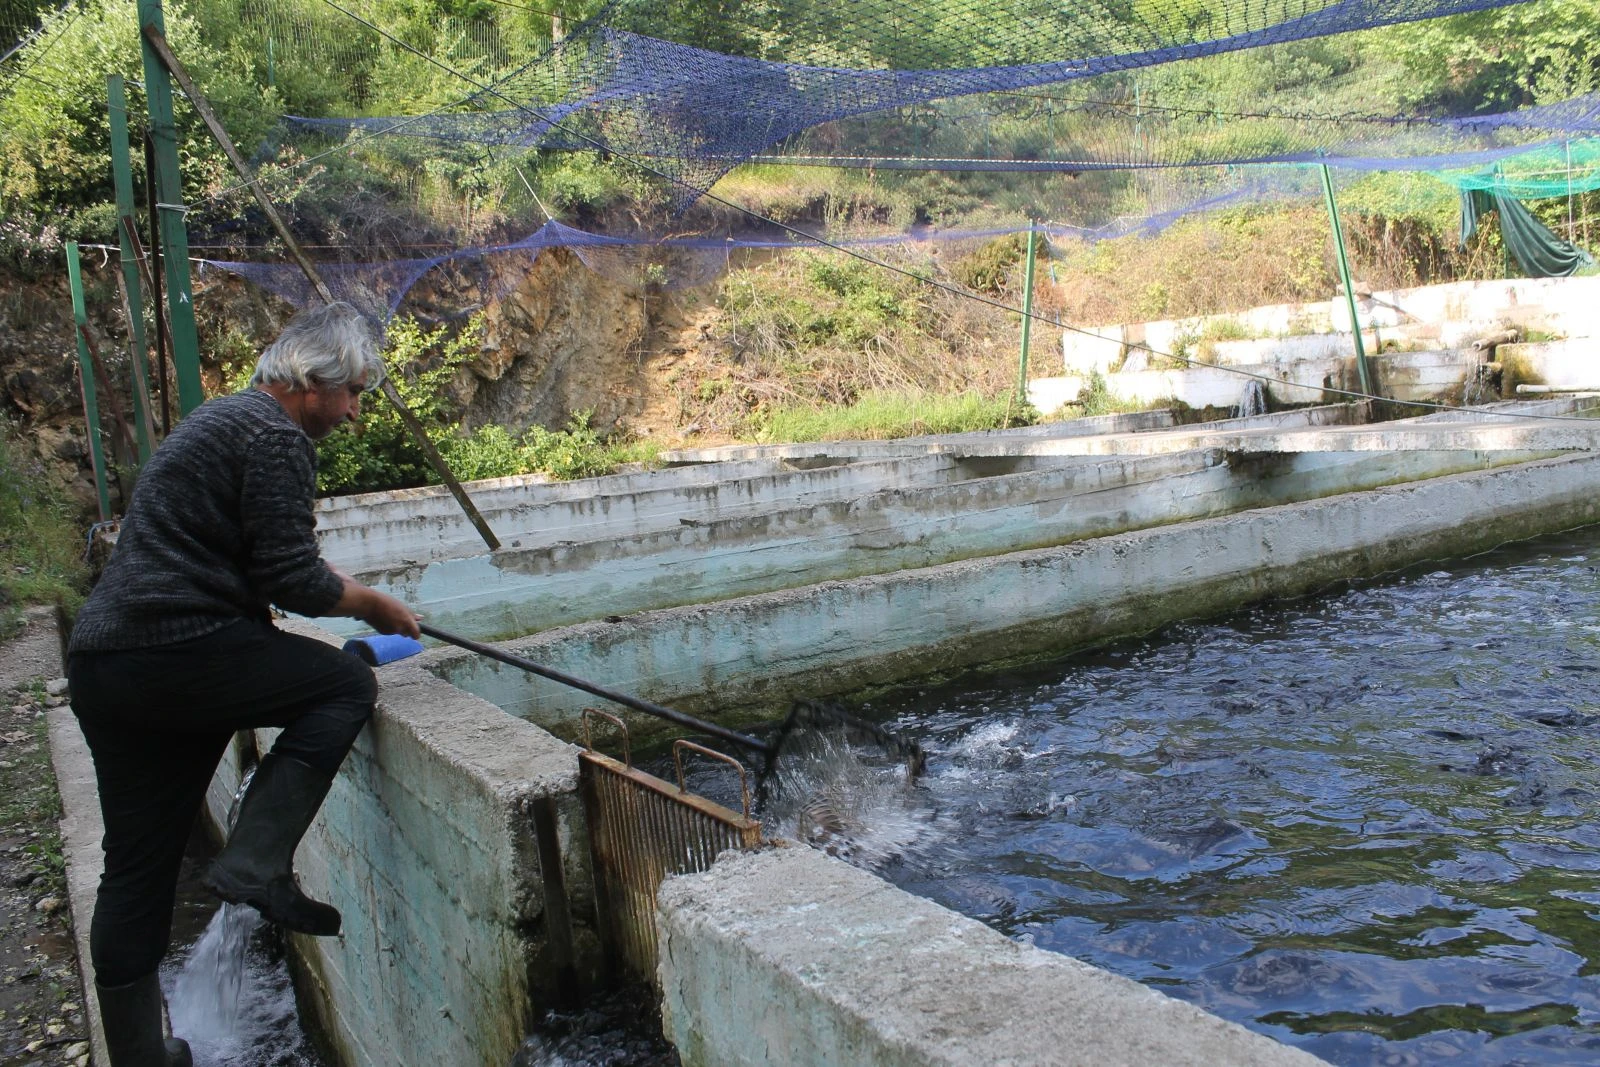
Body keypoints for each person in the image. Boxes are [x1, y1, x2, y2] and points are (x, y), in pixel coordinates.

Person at [66, 302, 420, 1066]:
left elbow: (244, 561)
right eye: (353, 391)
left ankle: (139, 1053)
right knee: (341, 686)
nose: (356, 411)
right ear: (311, 380)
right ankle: (257, 861)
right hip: (174, 652)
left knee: (136, 865)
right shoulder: (275, 437)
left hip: (106, 663)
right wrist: (374, 603)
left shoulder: (216, 420)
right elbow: (290, 576)